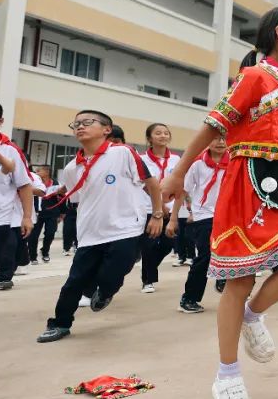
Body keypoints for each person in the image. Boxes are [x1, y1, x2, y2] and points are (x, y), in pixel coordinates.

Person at [158, 7, 278, 399]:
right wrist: (178, 171)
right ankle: (227, 376)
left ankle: (253, 316)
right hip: (247, 184)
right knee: (239, 279)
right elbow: (214, 126)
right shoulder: (253, 77)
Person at [37, 110, 163, 341]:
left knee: (113, 275)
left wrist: (157, 215)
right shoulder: (71, 168)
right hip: (90, 235)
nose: (80, 126)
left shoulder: (123, 153)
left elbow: (152, 183)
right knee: (74, 283)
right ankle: (60, 323)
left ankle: (105, 292)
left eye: (87, 122)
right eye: (76, 124)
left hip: (125, 229)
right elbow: (79, 201)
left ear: (107, 130)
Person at [176, 136, 229, 313]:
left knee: (232, 253)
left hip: (229, 215)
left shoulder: (235, 162)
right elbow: (183, 190)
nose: (220, 142)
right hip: (204, 215)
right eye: (215, 139)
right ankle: (189, 298)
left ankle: (224, 279)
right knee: (206, 255)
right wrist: (174, 217)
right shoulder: (197, 164)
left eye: (224, 138)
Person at [0, 100, 33, 291]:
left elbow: (24, 185)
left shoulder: (10, 150)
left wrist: (27, 217)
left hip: (3, 216)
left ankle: (4, 277)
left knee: (6, 255)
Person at [139, 123, 180, 293]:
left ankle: (149, 268)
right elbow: (144, 185)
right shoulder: (142, 159)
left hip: (170, 210)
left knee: (168, 244)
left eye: (165, 133)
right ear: (150, 138)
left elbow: (179, 183)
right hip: (149, 208)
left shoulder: (176, 159)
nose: (163, 136)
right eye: (158, 133)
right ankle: (147, 280)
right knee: (148, 245)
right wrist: (159, 205)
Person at [26, 165, 61, 264]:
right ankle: (33, 257)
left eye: (39, 170)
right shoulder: (34, 181)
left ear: (47, 172)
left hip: (51, 212)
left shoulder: (55, 182)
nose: (36, 172)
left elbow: (60, 198)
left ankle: (45, 252)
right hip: (37, 212)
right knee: (33, 235)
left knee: (50, 233)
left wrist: (62, 212)